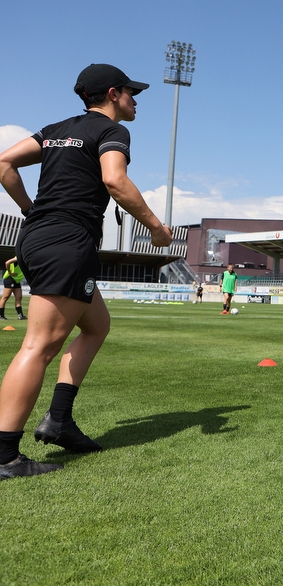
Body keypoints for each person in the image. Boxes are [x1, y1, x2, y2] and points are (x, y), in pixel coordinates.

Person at [0, 63, 173, 480]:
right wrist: (155, 226)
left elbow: (4, 162)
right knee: (39, 347)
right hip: (67, 242)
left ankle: (59, 420)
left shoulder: (56, 128)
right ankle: (4, 454)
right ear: (113, 94)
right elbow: (115, 181)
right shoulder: (112, 131)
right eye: (132, 93)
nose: (135, 100)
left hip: (38, 237)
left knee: (97, 326)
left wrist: (30, 209)